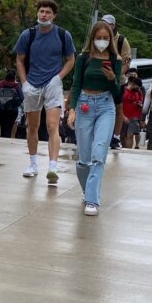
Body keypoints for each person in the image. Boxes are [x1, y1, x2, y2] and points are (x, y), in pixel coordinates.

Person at [13, 0, 76, 184]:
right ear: (37, 13)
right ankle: (33, 164)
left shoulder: (63, 35)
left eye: (48, 12)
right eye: (41, 11)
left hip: (52, 84)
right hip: (32, 84)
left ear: (54, 15)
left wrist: (59, 77)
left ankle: (53, 166)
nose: (44, 15)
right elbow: (19, 60)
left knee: (52, 126)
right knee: (32, 126)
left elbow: (71, 60)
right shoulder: (28, 35)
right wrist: (24, 82)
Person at [66, 21, 122, 215]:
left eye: (106, 38)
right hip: (84, 104)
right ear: (92, 38)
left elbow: (118, 95)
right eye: (99, 38)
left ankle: (92, 200)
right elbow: (76, 84)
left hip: (106, 105)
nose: (102, 42)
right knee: (84, 158)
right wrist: (72, 109)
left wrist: (112, 79)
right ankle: (87, 190)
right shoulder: (84, 58)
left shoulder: (116, 59)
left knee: (99, 155)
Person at [100, 14, 131, 150]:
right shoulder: (98, 38)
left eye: (108, 24)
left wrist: (116, 77)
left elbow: (126, 62)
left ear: (113, 26)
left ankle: (116, 137)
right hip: (100, 80)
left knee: (118, 108)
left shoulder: (121, 41)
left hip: (118, 80)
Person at [0, 69, 23, 139]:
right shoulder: (17, 86)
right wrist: (15, 105)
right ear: (14, 76)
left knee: (2, 127)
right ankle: (7, 141)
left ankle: (2, 140)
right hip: (13, 110)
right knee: (9, 128)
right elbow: (21, 97)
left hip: (1, 110)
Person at [119, 75, 143, 149]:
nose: (138, 89)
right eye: (137, 87)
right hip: (123, 115)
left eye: (139, 88)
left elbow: (141, 101)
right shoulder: (123, 90)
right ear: (132, 84)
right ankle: (124, 148)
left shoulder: (138, 92)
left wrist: (139, 104)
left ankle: (128, 151)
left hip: (134, 116)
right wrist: (122, 116)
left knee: (130, 135)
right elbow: (118, 104)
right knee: (122, 136)